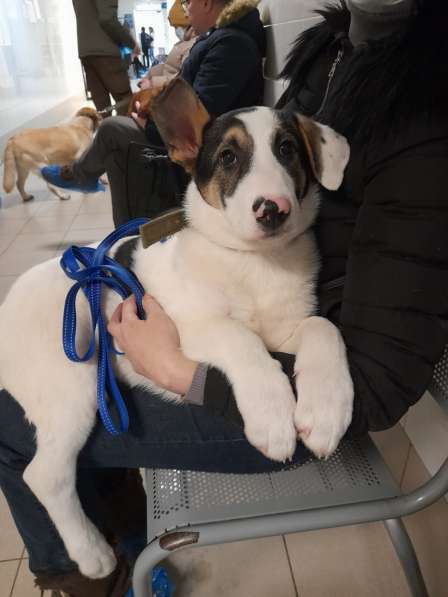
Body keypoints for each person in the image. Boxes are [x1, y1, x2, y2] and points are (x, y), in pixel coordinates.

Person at [1, 0, 447, 595]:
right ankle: (108, 544)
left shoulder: (423, 119)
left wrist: (185, 365)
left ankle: (89, 573)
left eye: (287, 155)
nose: (270, 190)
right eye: (236, 160)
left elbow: (375, 374)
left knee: (10, 424)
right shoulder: (337, 50)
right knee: (51, 396)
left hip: (258, 394)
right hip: (109, 300)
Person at [41, 0, 266, 227]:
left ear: (206, 3)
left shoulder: (230, 44)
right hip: (192, 140)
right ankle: (120, 226)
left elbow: (197, 120)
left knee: (112, 131)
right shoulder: (223, 39)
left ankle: (84, 180)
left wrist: (149, 122)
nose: (186, 10)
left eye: (188, 2)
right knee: (116, 134)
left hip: (199, 152)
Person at [72, 0, 140, 115]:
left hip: (86, 52)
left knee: (102, 108)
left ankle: (107, 132)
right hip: (107, 52)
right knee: (125, 103)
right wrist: (132, 44)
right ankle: (125, 132)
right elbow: (108, 19)